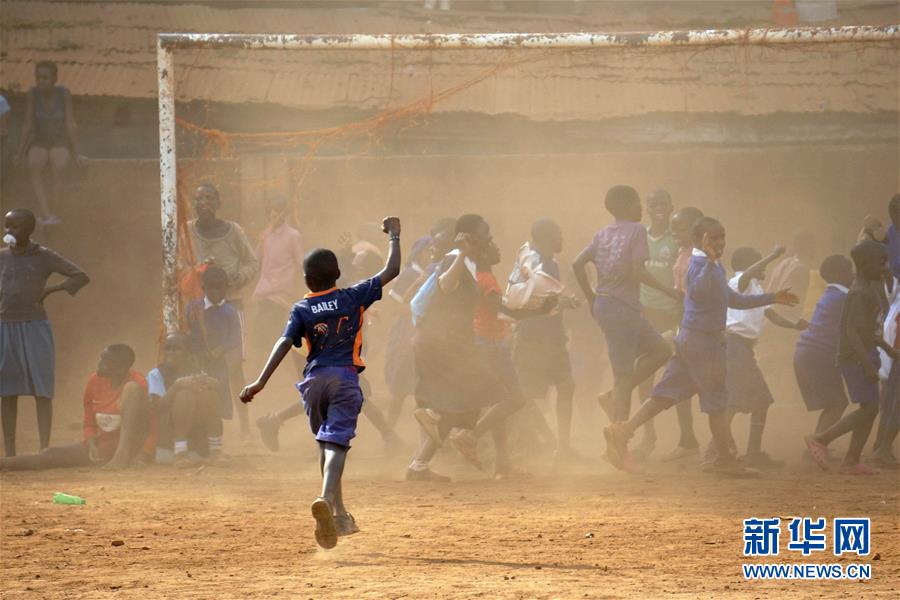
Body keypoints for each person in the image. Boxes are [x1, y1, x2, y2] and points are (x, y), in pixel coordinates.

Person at [240, 216, 401, 550]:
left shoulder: (302, 307)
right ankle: (327, 500)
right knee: (337, 444)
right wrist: (394, 237)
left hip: (313, 383)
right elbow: (392, 271)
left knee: (326, 444)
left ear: (306, 279)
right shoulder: (353, 296)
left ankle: (338, 515)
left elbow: (283, 344)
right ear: (338, 274)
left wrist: (259, 381)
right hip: (344, 379)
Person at [603, 217, 798, 477]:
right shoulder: (699, 264)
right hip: (703, 343)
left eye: (721, 238)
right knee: (717, 401)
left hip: (693, 340)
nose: (718, 243)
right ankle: (724, 461)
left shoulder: (713, 266)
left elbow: (732, 299)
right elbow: (696, 291)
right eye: (712, 238)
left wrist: (773, 297)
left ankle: (622, 431)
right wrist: (710, 262)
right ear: (698, 241)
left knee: (666, 393)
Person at [572, 185, 680, 426]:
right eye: (637, 203)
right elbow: (638, 271)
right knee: (623, 375)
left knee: (661, 351)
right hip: (622, 308)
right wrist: (667, 290)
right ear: (627, 206)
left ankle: (613, 398)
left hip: (609, 306)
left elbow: (578, 263)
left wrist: (592, 298)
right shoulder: (637, 230)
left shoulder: (602, 234)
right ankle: (619, 440)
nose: (641, 208)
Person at [406, 214, 501, 482]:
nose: (490, 238)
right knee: (476, 393)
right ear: (469, 237)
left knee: (462, 404)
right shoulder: (455, 259)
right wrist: (460, 253)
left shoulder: (469, 263)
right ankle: (434, 419)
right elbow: (445, 286)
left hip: (449, 342)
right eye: (486, 233)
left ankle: (420, 463)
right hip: (442, 343)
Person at [1, 208, 90, 457]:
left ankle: (44, 449)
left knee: (42, 388)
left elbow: (80, 275)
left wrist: (52, 290)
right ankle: (10, 451)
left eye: (14, 226)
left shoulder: (43, 256)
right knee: (7, 390)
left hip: (35, 327)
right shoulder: (2, 257)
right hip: (5, 326)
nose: (8, 231)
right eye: (6, 226)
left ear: (29, 229)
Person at [805, 240, 897, 475]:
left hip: (865, 354)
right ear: (866, 265)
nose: (885, 267)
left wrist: (887, 349)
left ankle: (851, 460)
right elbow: (852, 332)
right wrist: (866, 364)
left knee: (871, 408)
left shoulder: (869, 288)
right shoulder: (859, 292)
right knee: (869, 409)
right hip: (855, 357)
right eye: (881, 262)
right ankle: (822, 438)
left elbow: (869, 330)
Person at [723, 246, 808, 468]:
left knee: (761, 400)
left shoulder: (757, 288)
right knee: (734, 402)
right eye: (760, 264)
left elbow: (772, 317)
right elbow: (749, 273)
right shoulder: (738, 282)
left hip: (743, 349)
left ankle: (752, 452)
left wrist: (795, 326)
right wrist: (772, 255)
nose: (765, 269)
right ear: (747, 266)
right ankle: (719, 451)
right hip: (734, 346)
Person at [0, 345, 150, 471]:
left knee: (132, 389)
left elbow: (144, 422)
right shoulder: (95, 380)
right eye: (101, 358)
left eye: (106, 361)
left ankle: (121, 457)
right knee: (49, 454)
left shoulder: (137, 383)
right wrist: (91, 444)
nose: (99, 363)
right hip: (103, 445)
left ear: (121, 368)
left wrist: (136, 453)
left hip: (130, 448)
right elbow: (89, 420)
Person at [188, 182, 259, 437]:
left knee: (234, 367)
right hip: (200, 307)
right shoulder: (187, 232)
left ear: (218, 204)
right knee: (202, 364)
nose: (202, 203)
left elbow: (252, 261)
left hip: (232, 304)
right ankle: (207, 427)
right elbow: (179, 266)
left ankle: (245, 426)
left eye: (208, 199)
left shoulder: (233, 231)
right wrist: (197, 271)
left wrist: (235, 279)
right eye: (198, 199)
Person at [509, 219, 581, 461]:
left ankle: (561, 447)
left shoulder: (548, 261)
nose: (562, 239)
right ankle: (519, 445)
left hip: (550, 337)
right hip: (533, 338)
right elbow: (527, 297)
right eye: (558, 234)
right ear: (547, 237)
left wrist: (563, 301)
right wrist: (564, 301)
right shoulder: (533, 261)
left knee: (564, 387)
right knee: (527, 396)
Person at [631, 190, 681, 459]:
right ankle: (648, 435)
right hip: (646, 314)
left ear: (672, 207)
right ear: (647, 209)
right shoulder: (640, 236)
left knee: (681, 373)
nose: (659, 208)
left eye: (664, 203)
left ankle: (686, 438)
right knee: (643, 377)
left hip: (673, 313)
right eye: (654, 204)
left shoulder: (678, 239)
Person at [794, 255, 854, 463]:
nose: (853, 274)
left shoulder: (831, 294)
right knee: (837, 402)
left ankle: (817, 445)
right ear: (840, 274)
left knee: (834, 402)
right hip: (818, 354)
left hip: (809, 353)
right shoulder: (844, 298)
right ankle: (818, 443)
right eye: (850, 269)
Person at [659, 206, 705, 461]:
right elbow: (680, 296)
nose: (674, 231)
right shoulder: (682, 253)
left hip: (698, 327)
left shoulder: (701, 257)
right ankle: (688, 440)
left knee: (704, 384)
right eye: (673, 226)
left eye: (680, 227)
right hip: (685, 325)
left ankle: (722, 446)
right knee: (683, 383)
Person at [184, 265, 241, 458]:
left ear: (226, 288)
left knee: (216, 404)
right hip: (195, 362)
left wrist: (221, 348)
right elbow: (186, 332)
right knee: (195, 399)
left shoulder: (230, 312)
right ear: (204, 287)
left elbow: (235, 338)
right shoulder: (193, 308)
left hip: (218, 365)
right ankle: (198, 443)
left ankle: (216, 446)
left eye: (220, 287)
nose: (216, 292)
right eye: (212, 287)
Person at [16, 61, 82, 226]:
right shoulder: (32, 94)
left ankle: (55, 211)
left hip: (60, 139)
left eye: (45, 78)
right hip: (40, 140)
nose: (41, 81)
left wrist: (77, 153)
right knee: (33, 165)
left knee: (58, 165)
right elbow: (28, 124)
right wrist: (20, 152)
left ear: (54, 79)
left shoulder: (64, 94)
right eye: (38, 78)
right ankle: (46, 213)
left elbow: (70, 123)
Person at [148, 333, 224, 468]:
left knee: (210, 394)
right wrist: (177, 386)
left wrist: (212, 383)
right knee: (184, 395)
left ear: (187, 351)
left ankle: (215, 450)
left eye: (176, 348)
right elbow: (156, 408)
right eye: (167, 348)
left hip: (196, 435)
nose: (171, 352)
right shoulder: (156, 374)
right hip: (167, 436)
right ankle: (180, 452)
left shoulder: (197, 371)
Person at [251, 196, 305, 372]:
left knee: (272, 330)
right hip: (264, 291)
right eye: (271, 211)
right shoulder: (265, 234)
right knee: (263, 333)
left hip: (281, 293)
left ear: (285, 213)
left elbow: (301, 263)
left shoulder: (293, 236)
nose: (274, 214)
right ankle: (269, 370)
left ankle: (276, 371)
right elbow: (255, 258)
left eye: (278, 210)